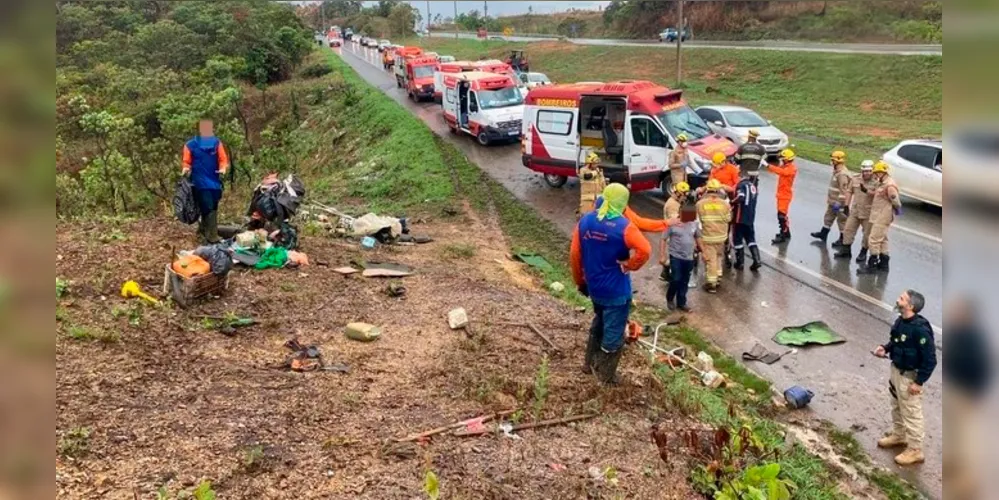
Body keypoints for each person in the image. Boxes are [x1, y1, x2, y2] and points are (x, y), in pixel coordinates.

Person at [571, 184, 656, 384]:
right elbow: (645, 250)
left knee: (599, 319)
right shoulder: (624, 226)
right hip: (616, 290)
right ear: (623, 202)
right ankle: (606, 376)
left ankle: (589, 363)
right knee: (614, 331)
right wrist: (630, 265)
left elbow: (575, 254)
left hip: (594, 286)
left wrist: (580, 281)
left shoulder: (586, 221)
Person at [873, 289, 936, 466]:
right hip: (896, 371)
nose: (897, 300)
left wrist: (919, 382)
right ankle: (899, 435)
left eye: (901, 299)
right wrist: (885, 348)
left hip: (909, 377)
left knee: (911, 413)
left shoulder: (920, 330)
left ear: (910, 306)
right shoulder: (901, 321)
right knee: (897, 406)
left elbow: (930, 359)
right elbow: (897, 341)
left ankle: (915, 450)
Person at [182, 118, 229, 244]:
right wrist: (186, 169)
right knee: (207, 206)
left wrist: (223, 168)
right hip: (199, 180)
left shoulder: (216, 143)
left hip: (214, 179)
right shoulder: (190, 145)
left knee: (213, 204)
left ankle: (203, 231)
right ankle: (211, 236)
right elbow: (186, 161)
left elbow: (222, 158)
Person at [858, 161, 901, 274]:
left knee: (873, 239)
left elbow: (895, 200)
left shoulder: (889, 185)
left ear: (883, 172)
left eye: (877, 173)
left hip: (883, 216)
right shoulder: (881, 183)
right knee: (883, 239)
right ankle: (883, 264)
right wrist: (866, 191)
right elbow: (877, 194)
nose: (875, 175)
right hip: (877, 214)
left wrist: (897, 209)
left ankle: (871, 265)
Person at [834, 160, 879, 262]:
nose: (866, 173)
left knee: (867, 234)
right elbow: (849, 191)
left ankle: (863, 252)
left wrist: (867, 191)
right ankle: (846, 251)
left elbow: (879, 195)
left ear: (872, 171)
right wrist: (846, 205)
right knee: (848, 230)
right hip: (855, 210)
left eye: (869, 171)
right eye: (864, 171)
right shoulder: (856, 178)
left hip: (868, 212)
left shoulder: (877, 182)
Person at [661, 203, 701, 312]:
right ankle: (670, 298)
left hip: (689, 257)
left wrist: (703, 251)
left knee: (684, 281)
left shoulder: (694, 224)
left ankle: (681, 303)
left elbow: (697, 237)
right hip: (676, 256)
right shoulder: (673, 223)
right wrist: (662, 255)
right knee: (676, 278)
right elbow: (663, 239)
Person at [696, 179, 731, 293]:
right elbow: (728, 219)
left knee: (711, 260)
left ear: (708, 190)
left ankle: (711, 284)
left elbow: (693, 221)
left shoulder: (700, 204)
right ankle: (718, 277)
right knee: (719, 257)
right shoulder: (725, 204)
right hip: (721, 236)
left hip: (708, 236)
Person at [810, 150, 851, 247]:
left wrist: (839, 203)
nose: (831, 162)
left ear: (837, 161)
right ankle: (823, 234)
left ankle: (842, 240)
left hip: (839, 203)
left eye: (833, 160)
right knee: (828, 217)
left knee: (842, 221)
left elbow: (844, 191)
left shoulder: (842, 174)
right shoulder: (837, 171)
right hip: (832, 201)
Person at [660, 181, 692, 282]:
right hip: (674, 235)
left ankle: (666, 273)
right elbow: (677, 221)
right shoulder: (672, 205)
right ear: (678, 193)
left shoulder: (676, 202)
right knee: (677, 256)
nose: (685, 197)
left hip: (674, 234)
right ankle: (671, 276)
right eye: (684, 195)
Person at [767, 149, 798, 245]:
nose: (781, 160)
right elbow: (778, 171)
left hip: (785, 195)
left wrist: (768, 165)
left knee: (781, 216)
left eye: (783, 159)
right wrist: (769, 167)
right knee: (781, 215)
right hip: (781, 194)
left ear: (787, 159)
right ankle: (786, 232)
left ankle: (783, 234)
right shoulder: (785, 167)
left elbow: (782, 172)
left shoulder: (791, 169)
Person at [731, 175, 761, 271]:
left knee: (737, 239)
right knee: (751, 239)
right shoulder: (753, 186)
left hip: (740, 217)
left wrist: (731, 202)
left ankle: (740, 262)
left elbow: (741, 197)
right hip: (750, 217)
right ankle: (757, 260)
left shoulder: (741, 185)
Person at [577, 151, 606, 218]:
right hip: (587, 200)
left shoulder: (598, 170)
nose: (596, 165)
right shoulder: (583, 170)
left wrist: (606, 192)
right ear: (589, 164)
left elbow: (602, 182)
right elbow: (586, 176)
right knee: (585, 217)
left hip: (598, 199)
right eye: (594, 164)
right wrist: (596, 172)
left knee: (598, 218)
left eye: (597, 163)